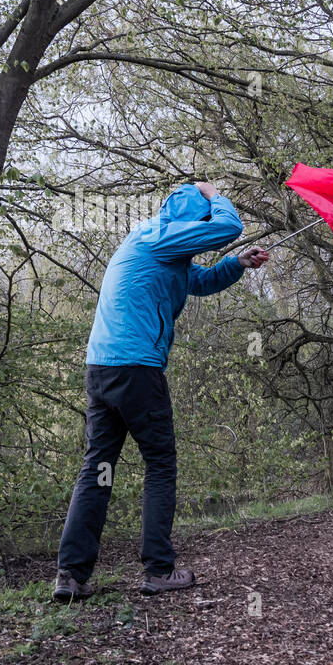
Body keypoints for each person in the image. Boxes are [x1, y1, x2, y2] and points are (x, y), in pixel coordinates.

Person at [53, 181, 270, 601]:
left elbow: (198, 281)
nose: (202, 230)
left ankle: (71, 576)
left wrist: (237, 263)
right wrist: (213, 194)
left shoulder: (157, 244)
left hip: (101, 368)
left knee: (98, 468)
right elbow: (229, 225)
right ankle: (158, 570)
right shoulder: (162, 235)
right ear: (192, 219)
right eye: (200, 222)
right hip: (137, 369)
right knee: (160, 465)